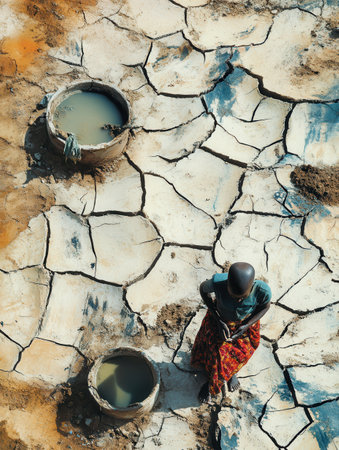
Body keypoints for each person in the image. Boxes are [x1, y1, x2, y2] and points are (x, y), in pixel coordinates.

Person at [190, 262, 271, 403]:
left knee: (242, 352)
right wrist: (218, 320)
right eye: (233, 296)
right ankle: (210, 383)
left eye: (242, 297)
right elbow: (203, 290)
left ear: (252, 286)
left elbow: (265, 307)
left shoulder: (262, 290)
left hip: (244, 325)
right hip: (219, 321)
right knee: (215, 354)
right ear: (227, 284)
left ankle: (232, 373)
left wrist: (246, 325)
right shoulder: (217, 283)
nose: (238, 300)